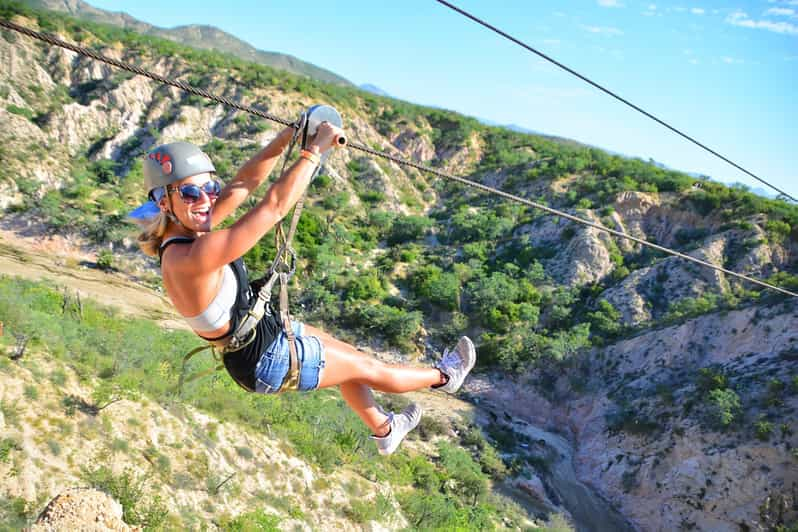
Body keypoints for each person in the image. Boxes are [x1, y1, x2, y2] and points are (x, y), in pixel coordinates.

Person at [135, 122, 476, 455]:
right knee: (370, 370)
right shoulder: (190, 257)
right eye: (192, 193)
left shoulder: (188, 227)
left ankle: (385, 430)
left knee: (352, 360)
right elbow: (274, 208)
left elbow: (243, 183)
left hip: (260, 335)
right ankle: (445, 376)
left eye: (210, 188)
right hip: (265, 357)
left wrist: (287, 137)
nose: (207, 200)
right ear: (165, 202)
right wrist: (313, 151)